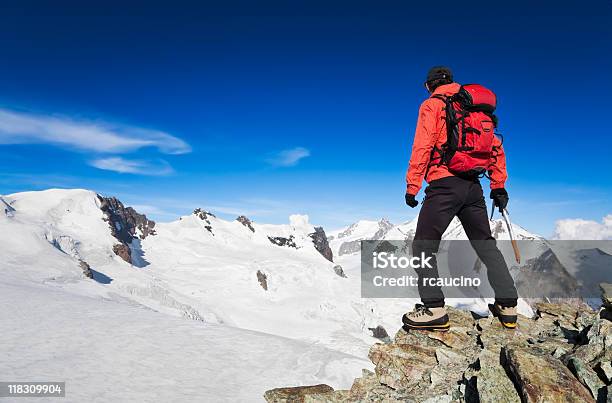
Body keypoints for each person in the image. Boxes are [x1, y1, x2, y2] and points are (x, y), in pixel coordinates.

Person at [402, 66, 518, 331]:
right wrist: (498, 186)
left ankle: (434, 310)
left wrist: (412, 185)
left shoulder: (433, 105)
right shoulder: (474, 108)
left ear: (430, 85)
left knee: (423, 246)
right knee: (485, 244)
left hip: (444, 184)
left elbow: (423, 145)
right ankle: (508, 306)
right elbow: (496, 148)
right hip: (473, 187)